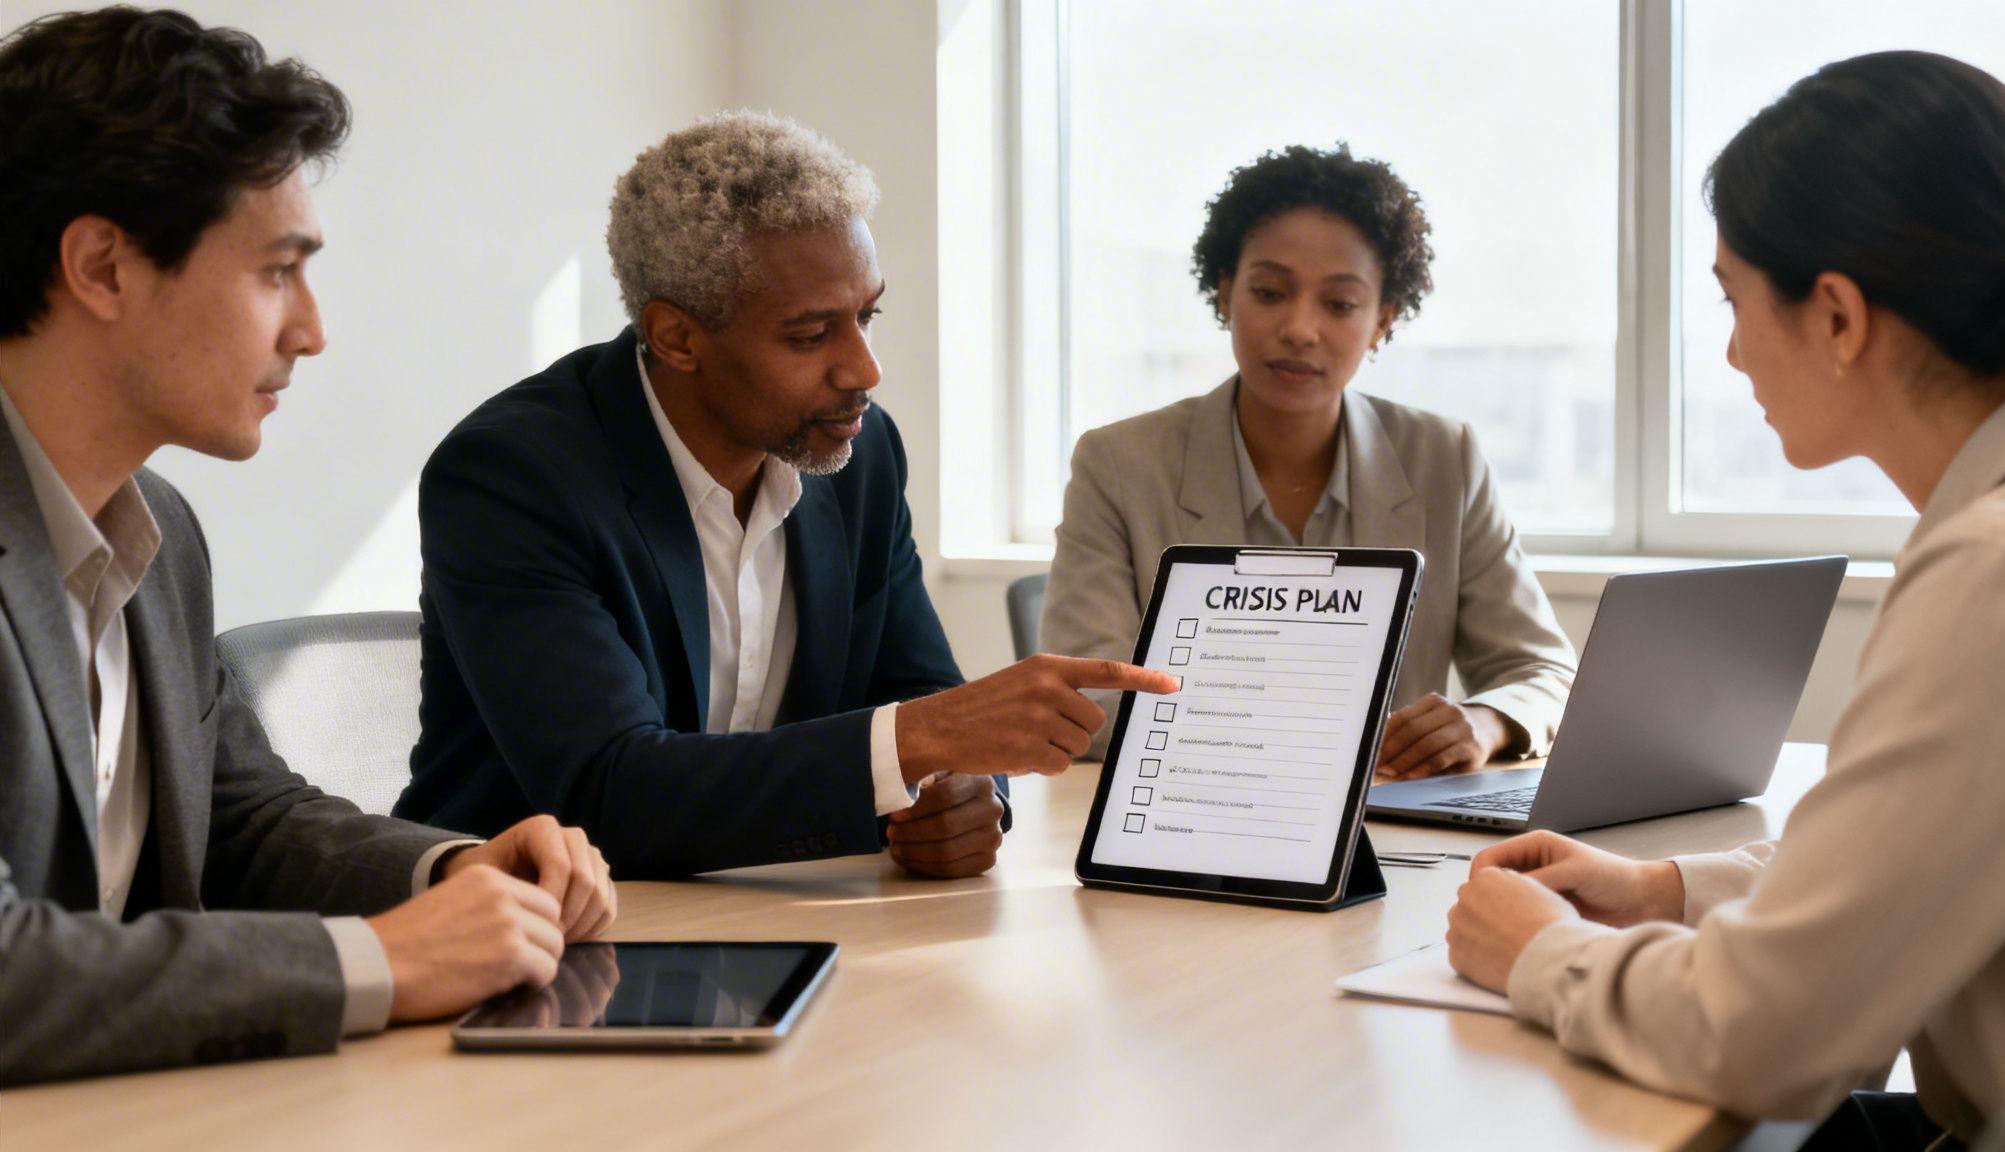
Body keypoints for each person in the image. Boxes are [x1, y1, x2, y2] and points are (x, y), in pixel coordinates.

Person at [0, 7, 616, 1087]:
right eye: (276, 270)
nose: (311, 329)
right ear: (101, 266)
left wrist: (452, 872)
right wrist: (377, 961)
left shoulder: (158, 530)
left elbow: (242, 818)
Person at [1444, 51, 2005, 1148]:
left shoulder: (2001, 572)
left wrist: (1535, 950)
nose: (1726, 350)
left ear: (1835, 316)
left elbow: (1766, 1035)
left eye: (1732, 300)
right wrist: (1665, 891)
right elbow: (1904, 852)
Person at [397, 111, 1173, 879]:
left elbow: (919, 690)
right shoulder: (512, 476)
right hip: (524, 934)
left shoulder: (860, 456)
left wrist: (962, 790)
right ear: (676, 337)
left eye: (868, 316)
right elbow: (609, 793)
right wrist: (915, 743)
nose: (864, 370)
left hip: (768, 912)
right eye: (811, 335)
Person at [1042, 144, 1575, 773]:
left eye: (1340, 304)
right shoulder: (1118, 464)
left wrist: (1485, 724)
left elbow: (1542, 671)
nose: (1299, 327)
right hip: (1195, 818)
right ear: (1224, 293)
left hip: (1388, 832)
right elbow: (1089, 698)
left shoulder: (1444, 459)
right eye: (1269, 292)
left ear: (1382, 320)